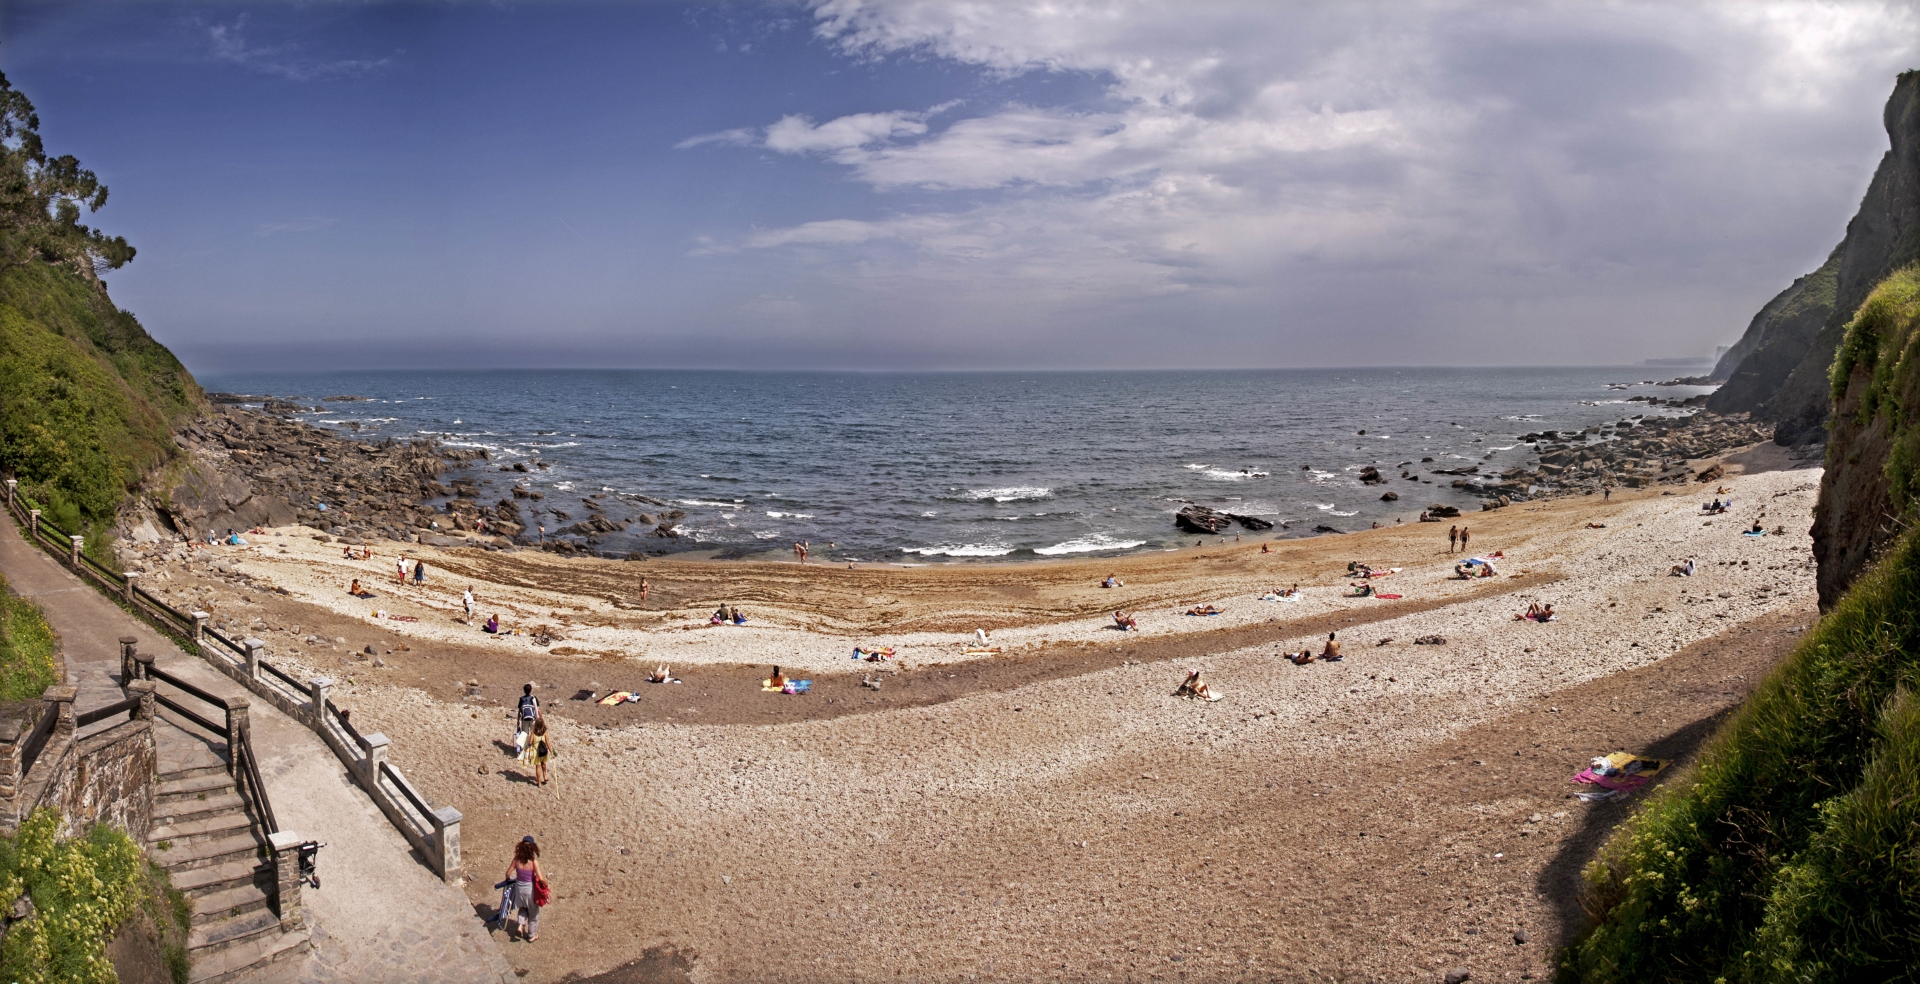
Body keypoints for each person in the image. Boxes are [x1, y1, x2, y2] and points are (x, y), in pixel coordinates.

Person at [494, 837, 545, 941]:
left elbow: (508, 873)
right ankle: (531, 935)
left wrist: (507, 880)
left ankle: (520, 925)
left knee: (523, 907)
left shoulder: (516, 859)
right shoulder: (533, 861)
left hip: (519, 889)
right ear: (532, 848)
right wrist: (546, 885)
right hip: (530, 890)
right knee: (533, 913)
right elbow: (541, 878)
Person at [515, 684, 541, 756]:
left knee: (525, 735)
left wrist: (518, 720)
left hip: (524, 719)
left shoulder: (521, 699)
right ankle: (533, 750)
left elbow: (520, 711)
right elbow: (538, 709)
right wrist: (540, 719)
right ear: (531, 690)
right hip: (532, 719)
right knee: (533, 734)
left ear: (524, 691)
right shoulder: (533, 698)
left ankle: (525, 751)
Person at [529, 718, 554, 787]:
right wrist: (551, 752)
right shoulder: (544, 732)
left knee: (538, 767)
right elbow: (548, 742)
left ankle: (539, 783)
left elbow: (530, 742)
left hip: (536, 751)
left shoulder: (533, 732)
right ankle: (545, 776)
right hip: (543, 750)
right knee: (543, 763)